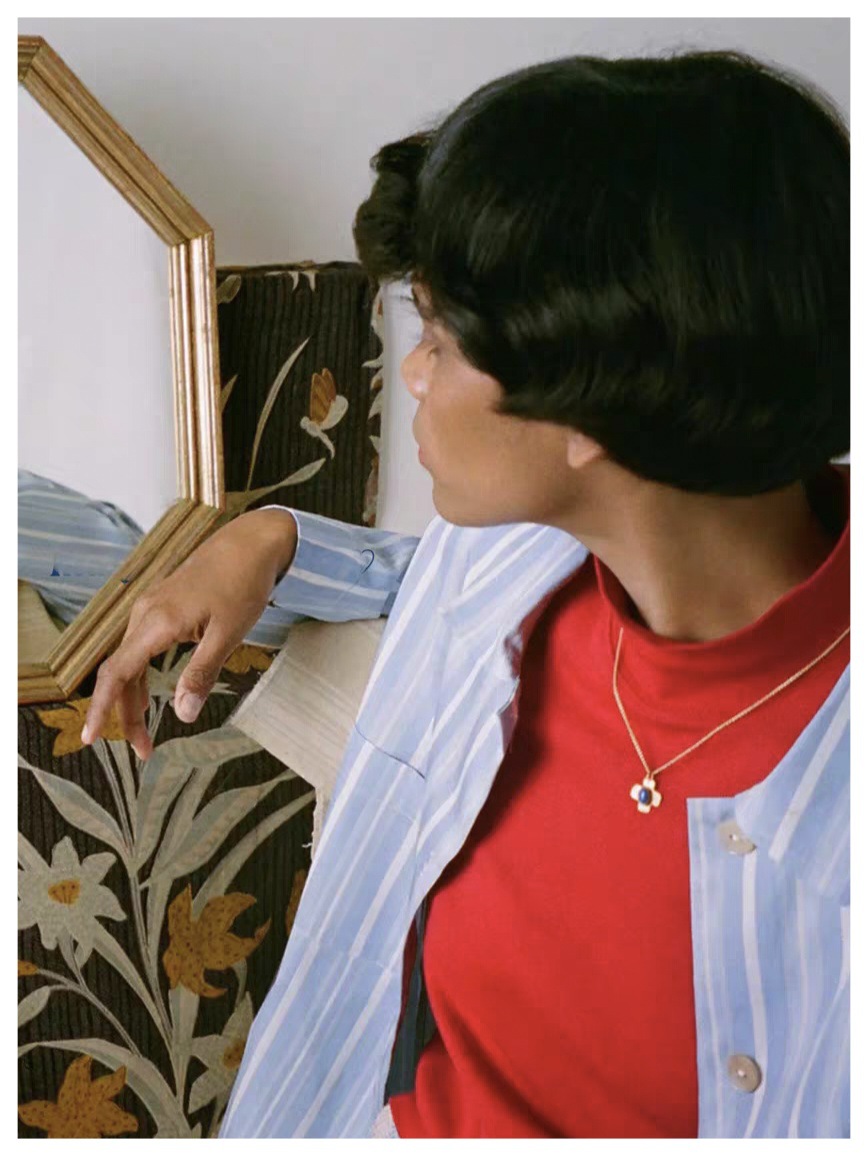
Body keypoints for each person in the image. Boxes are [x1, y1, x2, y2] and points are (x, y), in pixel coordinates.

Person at [81, 49, 850, 1139]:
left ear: (591, 398)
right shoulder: (516, 565)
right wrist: (270, 537)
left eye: (439, 339)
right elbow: (423, 580)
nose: (412, 372)